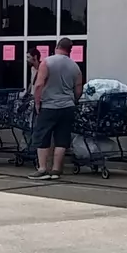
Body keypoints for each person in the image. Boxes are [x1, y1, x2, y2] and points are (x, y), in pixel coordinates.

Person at [29, 38, 82, 181]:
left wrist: (37, 103)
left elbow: (39, 85)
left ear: (57, 46)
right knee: (62, 139)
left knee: (42, 136)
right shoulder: (75, 66)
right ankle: (56, 170)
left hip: (49, 106)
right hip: (67, 107)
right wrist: (73, 100)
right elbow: (78, 89)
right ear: (70, 50)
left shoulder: (47, 62)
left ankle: (42, 169)